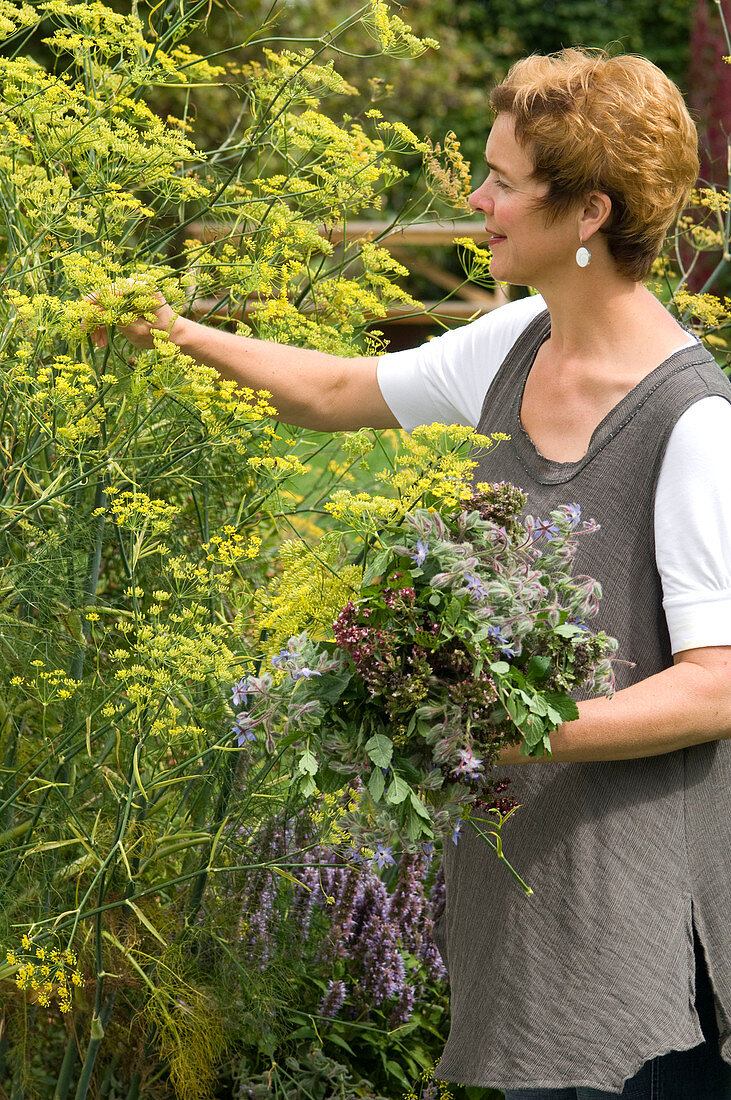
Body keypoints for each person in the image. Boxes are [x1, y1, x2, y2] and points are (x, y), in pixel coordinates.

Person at [89, 48, 731, 1099]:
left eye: (502, 181)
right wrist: (170, 332)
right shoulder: (517, 343)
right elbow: (334, 390)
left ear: (586, 213)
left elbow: (712, 682)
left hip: (640, 897)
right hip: (525, 876)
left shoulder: (689, 420)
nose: (473, 197)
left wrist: (493, 729)